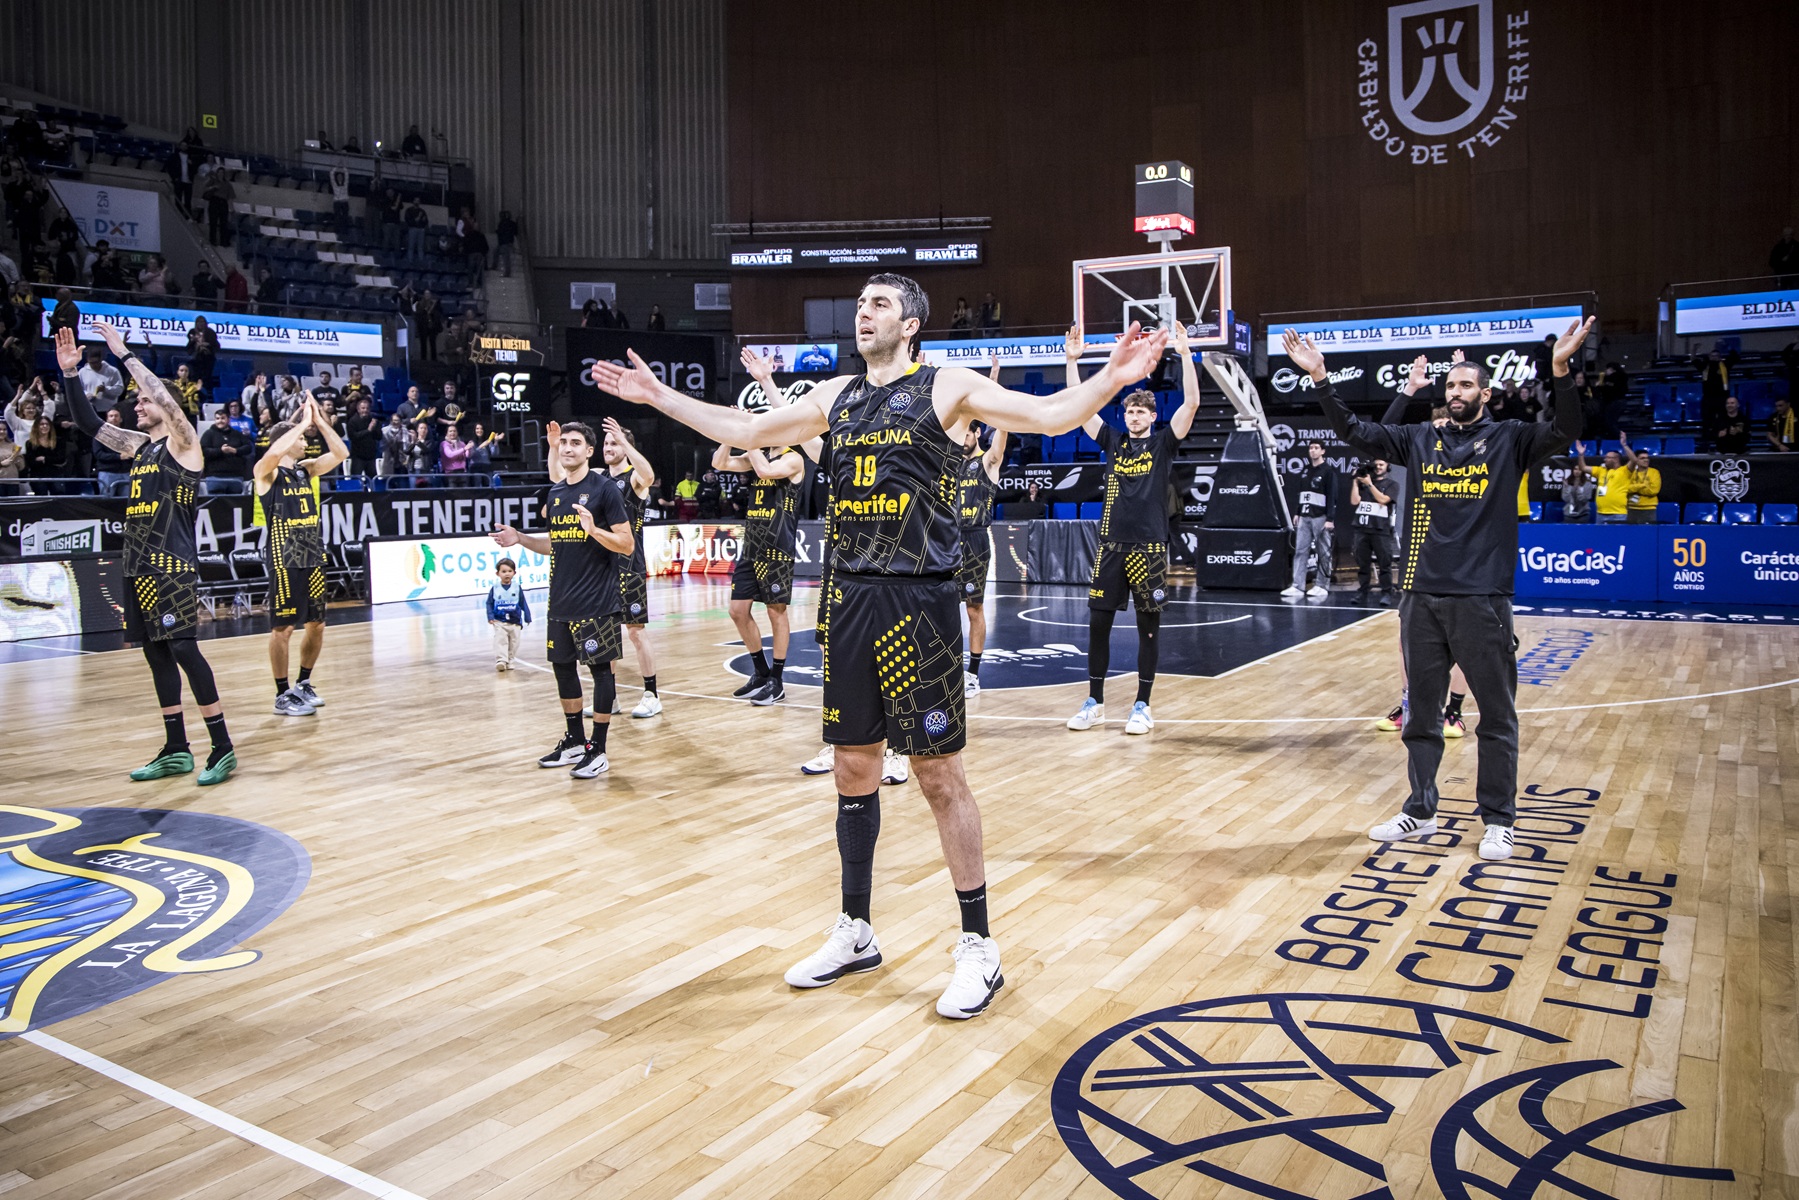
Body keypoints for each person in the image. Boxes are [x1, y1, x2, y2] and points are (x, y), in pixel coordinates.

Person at [590, 271, 1167, 1018]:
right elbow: (748, 432)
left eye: (880, 304)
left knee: (937, 777)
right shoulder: (835, 397)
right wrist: (659, 399)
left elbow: (1052, 416)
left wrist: (1109, 380)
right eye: (860, 304)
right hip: (850, 597)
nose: (864, 312)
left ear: (913, 324)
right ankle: (856, 929)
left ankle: (978, 948)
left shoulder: (946, 386)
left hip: (919, 599)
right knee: (853, 769)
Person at [1286, 315, 1591, 864]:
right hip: (1421, 597)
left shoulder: (1510, 440)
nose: (1455, 393)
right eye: (1450, 385)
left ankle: (1498, 820)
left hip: (1482, 599)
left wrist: (1561, 370)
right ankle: (1421, 810)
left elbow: (1567, 428)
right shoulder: (1420, 438)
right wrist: (1320, 379)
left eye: (1466, 385)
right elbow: (1357, 432)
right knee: (1421, 714)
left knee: (1496, 716)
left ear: (1486, 393)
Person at [54, 323, 236, 783]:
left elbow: (170, 403)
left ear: (164, 406)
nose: (136, 404)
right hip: (136, 563)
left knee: (182, 648)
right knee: (155, 654)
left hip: (172, 564)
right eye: (136, 400)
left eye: (143, 400)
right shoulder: (139, 448)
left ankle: (222, 746)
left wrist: (124, 354)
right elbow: (89, 425)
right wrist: (71, 374)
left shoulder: (184, 444)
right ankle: (176, 747)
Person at [1064, 321, 1199, 737]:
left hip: (1151, 549)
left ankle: (1142, 704)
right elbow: (1080, 408)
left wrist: (1186, 354)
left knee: (1148, 627)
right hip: (1111, 547)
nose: (1134, 415)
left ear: (1153, 416)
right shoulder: (1113, 442)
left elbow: (1191, 403)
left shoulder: (1163, 444)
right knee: (1098, 625)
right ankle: (1095, 701)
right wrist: (1072, 363)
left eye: (1141, 410)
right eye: (1129, 410)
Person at [492, 422, 635, 779]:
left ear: (589, 451)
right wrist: (520, 538)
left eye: (576, 443)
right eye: (564, 443)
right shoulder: (556, 493)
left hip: (597, 601)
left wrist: (594, 531)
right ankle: (574, 740)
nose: (568, 448)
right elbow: (555, 544)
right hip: (561, 601)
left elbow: (627, 544)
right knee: (563, 669)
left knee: (601, 672)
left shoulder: (605, 491)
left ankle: (598, 749)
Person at [717, 350, 817, 707]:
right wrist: (731, 432)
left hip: (777, 545)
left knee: (777, 611)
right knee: (737, 610)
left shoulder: (792, 457)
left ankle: (777, 678)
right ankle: (759, 672)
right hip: (752, 545)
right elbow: (719, 462)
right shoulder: (758, 453)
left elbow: (763, 472)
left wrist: (751, 440)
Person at [253, 394, 348, 716]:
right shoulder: (267, 473)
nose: (305, 441)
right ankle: (282, 693)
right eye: (299, 438)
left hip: (312, 555)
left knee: (317, 624)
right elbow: (272, 453)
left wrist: (319, 422)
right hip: (284, 558)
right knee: (283, 628)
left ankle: (303, 683)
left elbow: (341, 453)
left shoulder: (305, 471)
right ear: (284, 441)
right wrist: (300, 424)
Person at [599, 416, 663, 717]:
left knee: (635, 632)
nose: (608, 447)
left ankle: (652, 695)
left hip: (630, 565)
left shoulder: (633, 479)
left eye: (615, 443)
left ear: (626, 448)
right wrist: (554, 448)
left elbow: (649, 474)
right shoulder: (600, 480)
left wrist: (624, 440)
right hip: (601, 566)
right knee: (607, 632)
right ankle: (609, 697)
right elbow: (560, 475)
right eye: (607, 443)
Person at [958, 354, 1009, 697]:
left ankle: (973, 674)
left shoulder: (987, 462)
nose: (960, 437)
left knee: (974, 608)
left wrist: (992, 384)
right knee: (938, 608)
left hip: (975, 540)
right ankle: (944, 668)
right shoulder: (948, 462)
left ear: (977, 433)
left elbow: (1001, 427)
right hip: (944, 540)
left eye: (966, 432)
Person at [1282, 439, 1339, 598]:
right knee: (1300, 551)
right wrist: (1297, 512)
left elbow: (1332, 496)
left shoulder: (1328, 471)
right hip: (1305, 516)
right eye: (1311, 448)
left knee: (1323, 552)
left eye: (1316, 448)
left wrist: (1330, 518)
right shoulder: (1305, 470)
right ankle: (1297, 585)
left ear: (1323, 451)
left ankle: (1322, 585)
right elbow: (1301, 494)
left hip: (1320, 516)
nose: (1312, 450)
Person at [1348, 457, 1397, 603]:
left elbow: (1383, 499)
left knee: (1384, 563)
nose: (1378, 467)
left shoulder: (1392, 484)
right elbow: (1354, 501)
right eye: (1376, 465)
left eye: (1381, 464)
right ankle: (1362, 592)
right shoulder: (1363, 484)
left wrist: (1369, 484)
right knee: (1363, 564)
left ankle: (1387, 592)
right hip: (1362, 529)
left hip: (1380, 529)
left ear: (1388, 467)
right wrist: (1356, 483)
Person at [487, 557, 532, 670]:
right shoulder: (495, 588)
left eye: (509, 571)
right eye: (504, 571)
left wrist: (527, 615)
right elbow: (489, 603)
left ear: (514, 573)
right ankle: (501, 660)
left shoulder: (517, 587)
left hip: (515, 620)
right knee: (500, 639)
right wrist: (490, 616)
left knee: (514, 641)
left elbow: (523, 602)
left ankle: (511, 659)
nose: (507, 574)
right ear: (498, 573)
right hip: (499, 620)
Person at [199, 407, 253, 494]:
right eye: (217, 418)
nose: (220, 421)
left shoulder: (237, 434)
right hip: (214, 477)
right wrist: (220, 451)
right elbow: (204, 451)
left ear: (228, 419)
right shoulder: (208, 434)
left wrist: (235, 450)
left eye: (223, 418)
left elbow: (248, 447)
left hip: (235, 476)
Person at [21, 414, 66, 492]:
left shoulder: (58, 441)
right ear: (36, 427)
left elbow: (61, 459)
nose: (44, 426)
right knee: (40, 492)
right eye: (41, 424)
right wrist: (51, 460)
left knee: (59, 492)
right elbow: (31, 462)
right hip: (37, 474)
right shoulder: (30, 443)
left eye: (47, 424)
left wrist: (44, 459)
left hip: (55, 473)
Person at [1621, 435, 1660, 523]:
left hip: (1649, 508)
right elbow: (1625, 488)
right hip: (1631, 508)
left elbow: (1653, 491)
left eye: (1647, 458)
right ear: (1636, 460)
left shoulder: (1654, 472)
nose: (1646, 460)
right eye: (1642, 458)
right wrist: (1642, 486)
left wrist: (1634, 489)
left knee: (1648, 534)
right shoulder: (1629, 472)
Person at [1588, 445, 1630, 523]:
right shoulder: (1601, 470)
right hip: (1601, 513)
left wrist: (1624, 445)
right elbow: (1583, 467)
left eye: (1608, 457)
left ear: (1616, 459)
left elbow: (1634, 460)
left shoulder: (1624, 471)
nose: (1605, 460)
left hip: (1618, 514)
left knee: (1618, 535)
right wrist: (1580, 454)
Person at [344, 396, 381, 477]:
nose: (365, 410)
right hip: (357, 456)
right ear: (358, 409)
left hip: (371, 456)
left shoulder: (374, 421)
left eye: (367, 408)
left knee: (372, 479)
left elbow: (379, 437)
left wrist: (374, 429)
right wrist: (368, 430)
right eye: (363, 408)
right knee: (355, 479)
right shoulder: (352, 421)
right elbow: (353, 437)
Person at [1560, 451, 1596, 523]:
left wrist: (1577, 490)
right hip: (1568, 514)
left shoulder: (1587, 483)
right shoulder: (1567, 482)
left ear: (1583, 471)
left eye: (1579, 469)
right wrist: (1566, 488)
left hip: (1583, 514)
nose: (1577, 471)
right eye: (1575, 469)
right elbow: (1565, 498)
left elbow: (1585, 499)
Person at [185, 316, 219, 385]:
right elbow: (189, 347)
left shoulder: (210, 332)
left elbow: (216, 345)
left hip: (208, 359)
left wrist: (206, 345)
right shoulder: (192, 331)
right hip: (196, 360)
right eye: (199, 322)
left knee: (206, 378)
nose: (201, 324)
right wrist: (193, 341)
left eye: (203, 322)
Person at [495, 210, 519, 276]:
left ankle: (507, 272)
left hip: (503, 242)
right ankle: (495, 266)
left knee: (506, 258)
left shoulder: (501, 223)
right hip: (509, 242)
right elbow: (516, 232)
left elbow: (500, 232)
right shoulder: (512, 224)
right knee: (499, 254)